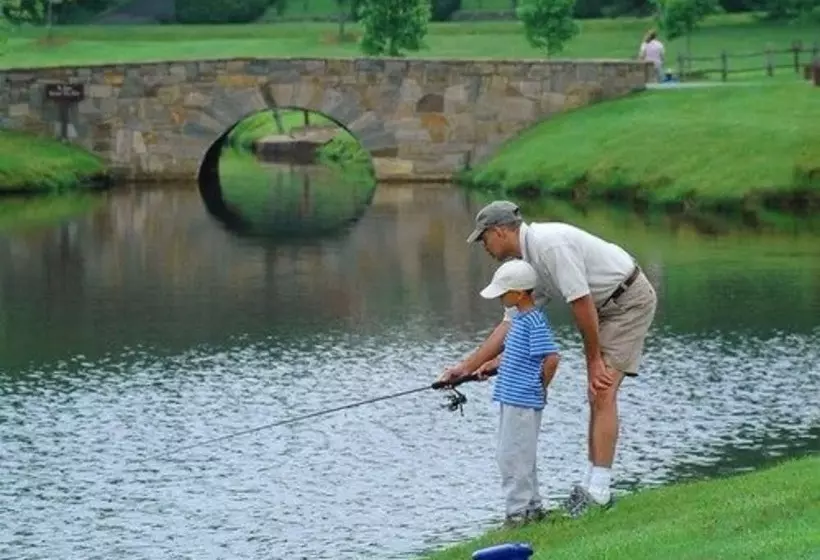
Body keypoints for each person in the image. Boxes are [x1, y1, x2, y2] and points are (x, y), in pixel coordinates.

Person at [438, 200, 657, 518]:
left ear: (499, 231)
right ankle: (592, 485)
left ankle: (600, 489)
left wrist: (593, 360)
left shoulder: (548, 246)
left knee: (602, 389)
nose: (483, 245)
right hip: (603, 306)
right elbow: (509, 324)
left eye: (483, 238)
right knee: (596, 394)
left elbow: (581, 302)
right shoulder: (526, 270)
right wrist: (466, 368)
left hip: (627, 301)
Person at [472, 258, 560, 528]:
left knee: (513, 457)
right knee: (519, 454)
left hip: (523, 399)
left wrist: (539, 388)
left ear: (519, 293)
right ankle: (532, 509)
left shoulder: (533, 321)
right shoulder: (520, 319)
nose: (500, 297)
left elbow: (551, 358)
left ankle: (515, 515)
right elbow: (516, 356)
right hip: (511, 398)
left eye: (503, 292)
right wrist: (491, 365)